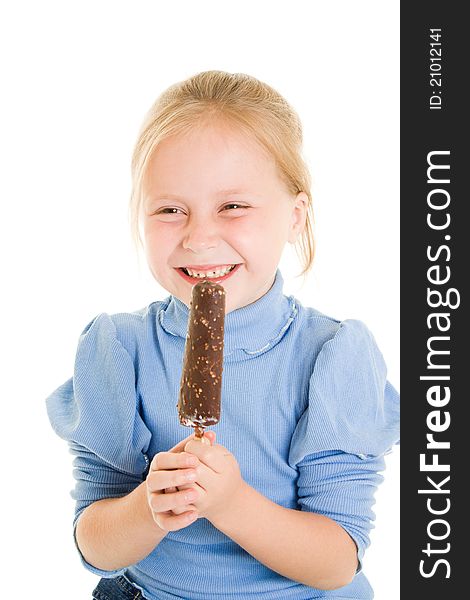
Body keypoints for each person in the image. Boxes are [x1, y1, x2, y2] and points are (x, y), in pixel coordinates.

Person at [46, 70, 399, 600]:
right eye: (170, 210)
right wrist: (148, 507)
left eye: (233, 206)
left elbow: (336, 563)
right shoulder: (119, 350)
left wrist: (232, 504)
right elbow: (94, 546)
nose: (200, 236)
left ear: (295, 216)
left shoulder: (330, 356)